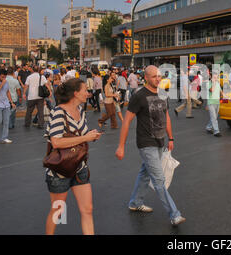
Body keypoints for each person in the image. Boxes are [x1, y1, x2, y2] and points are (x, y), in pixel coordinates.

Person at [115, 65, 186, 226]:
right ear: (146, 78)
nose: (158, 79)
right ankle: (174, 215)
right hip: (146, 143)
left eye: (159, 76)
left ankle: (135, 202)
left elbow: (166, 116)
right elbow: (126, 121)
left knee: (145, 173)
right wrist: (121, 146)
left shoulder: (163, 94)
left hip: (160, 141)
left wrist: (171, 138)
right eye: (154, 76)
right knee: (159, 179)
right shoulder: (138, 96)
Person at [44, 78, 102, 235]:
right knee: (58, 211)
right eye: (85, 90)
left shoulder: (81, 111)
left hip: (79, 167)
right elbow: (56, 142)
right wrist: (85, 138)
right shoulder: (58, 112)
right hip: (60, 170)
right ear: (76, 93)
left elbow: (81, 135)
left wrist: (91, 135)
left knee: (87, 210)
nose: (88, 93)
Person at [206, 71, 223, 137]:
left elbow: (221, 91)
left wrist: (223, 95)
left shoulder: (218, 83)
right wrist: (213, 83)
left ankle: (208, 127)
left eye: (216, 77)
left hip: (217, 102)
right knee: (214, 117)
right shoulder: (209, 83)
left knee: (214, 117)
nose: (216, 78)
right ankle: (216, 131)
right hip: (211, 102)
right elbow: (211, 90)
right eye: (214, 77)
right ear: (211, 77)